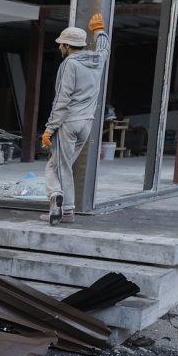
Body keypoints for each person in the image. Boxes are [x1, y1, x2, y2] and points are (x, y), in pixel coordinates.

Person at [43, 14, 109, 225]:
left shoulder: (68, 64)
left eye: (61, 44)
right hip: (87, 123)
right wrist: (99, 31)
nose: (59, 47)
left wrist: (49, 129)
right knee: (61, 165)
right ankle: (62, 207)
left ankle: (62, 204)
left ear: (67, 45)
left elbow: (62, 100)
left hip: (69, 123)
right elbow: (104, 48)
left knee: (56, 167)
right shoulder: (97, 60)